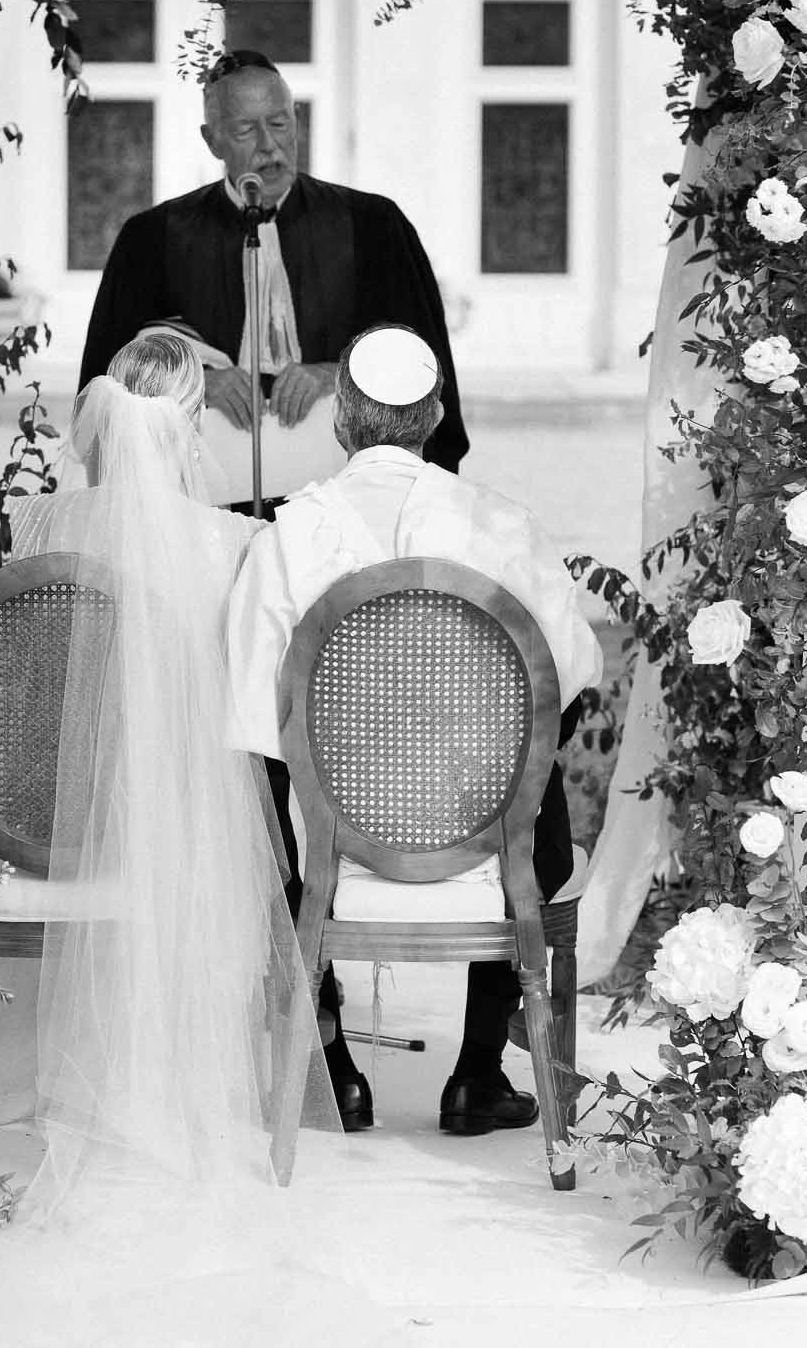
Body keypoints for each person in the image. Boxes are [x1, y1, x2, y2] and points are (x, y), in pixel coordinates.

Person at [226, 325, 604, 1137]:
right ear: (433, 416)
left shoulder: (284, 541)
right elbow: (573, 676)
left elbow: (252, 718)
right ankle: (476, 1073)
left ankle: (331, 1068)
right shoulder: (505, 526)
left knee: (269, 783)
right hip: (488, 846)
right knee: (536, 758)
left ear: (339, 421)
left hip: (333, 847)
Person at [9, 330, 337, 1213]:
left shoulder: (37, 525)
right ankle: (188, 1079)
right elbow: (255, 694)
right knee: (226, 806)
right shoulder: (234, 539)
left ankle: (94, 1080)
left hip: (42, 815)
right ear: (191, 429)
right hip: (184, 830)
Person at [77, 48, 467, 480]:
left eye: (279, 123)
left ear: (296, 119)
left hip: (341, 495)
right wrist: (194, 383)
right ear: (212, 140)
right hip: (205, 502)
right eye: (246, 129)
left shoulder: (373, 226)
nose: (269, 145)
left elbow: (421, 366)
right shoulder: (152, 238)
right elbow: (109, 387)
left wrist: (336, 374)